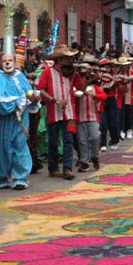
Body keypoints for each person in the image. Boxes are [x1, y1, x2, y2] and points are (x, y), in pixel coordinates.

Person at [0, 42, 34, 190]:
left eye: (10, 60)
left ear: (15, 62)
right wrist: (18, 102)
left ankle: (20, 177)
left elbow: (29, 94)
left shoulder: (20, 76)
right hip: (4, 121)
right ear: (0, 63)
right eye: (4, 61)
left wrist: (32, 98)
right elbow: (1, 104)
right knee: (3, 147)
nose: (8, 63)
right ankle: (2, 177)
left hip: (20, 120)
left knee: (20, 145)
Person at [37, 45, 85, 180]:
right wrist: (54, 100)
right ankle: (53, 168)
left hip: (69, 112)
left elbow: (80, 86)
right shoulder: (47, 72)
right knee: (52, 141)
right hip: (53, 111)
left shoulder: (71, 72)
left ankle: (67, 169)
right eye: (67, 58)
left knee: (68, 140)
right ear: (59, 59)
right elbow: (40, 89)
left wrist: (83, 76)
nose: (70, 60)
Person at [75, 58, 106, 172]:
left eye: (87, 77)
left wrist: (95, 96)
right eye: (83, 76)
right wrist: (85, 84)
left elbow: (103, 97)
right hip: (80, 118)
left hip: (93, 117)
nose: (85, 78)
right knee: (82, 141)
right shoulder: (78, 88)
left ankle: (95, 156)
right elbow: (76, 96)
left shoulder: (95, 88)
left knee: (95, 137)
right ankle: (84, 161)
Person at [98, 59, 121, 152]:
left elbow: (114, 87)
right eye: (104, 67)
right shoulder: (98, 77)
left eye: (108, 67)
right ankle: (102, 143)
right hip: (102, 101)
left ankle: (115, 140)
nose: (106, 69)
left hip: (111, 100)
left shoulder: (113, 77)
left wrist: (114, 82)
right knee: (103, 123)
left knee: (113, 122)